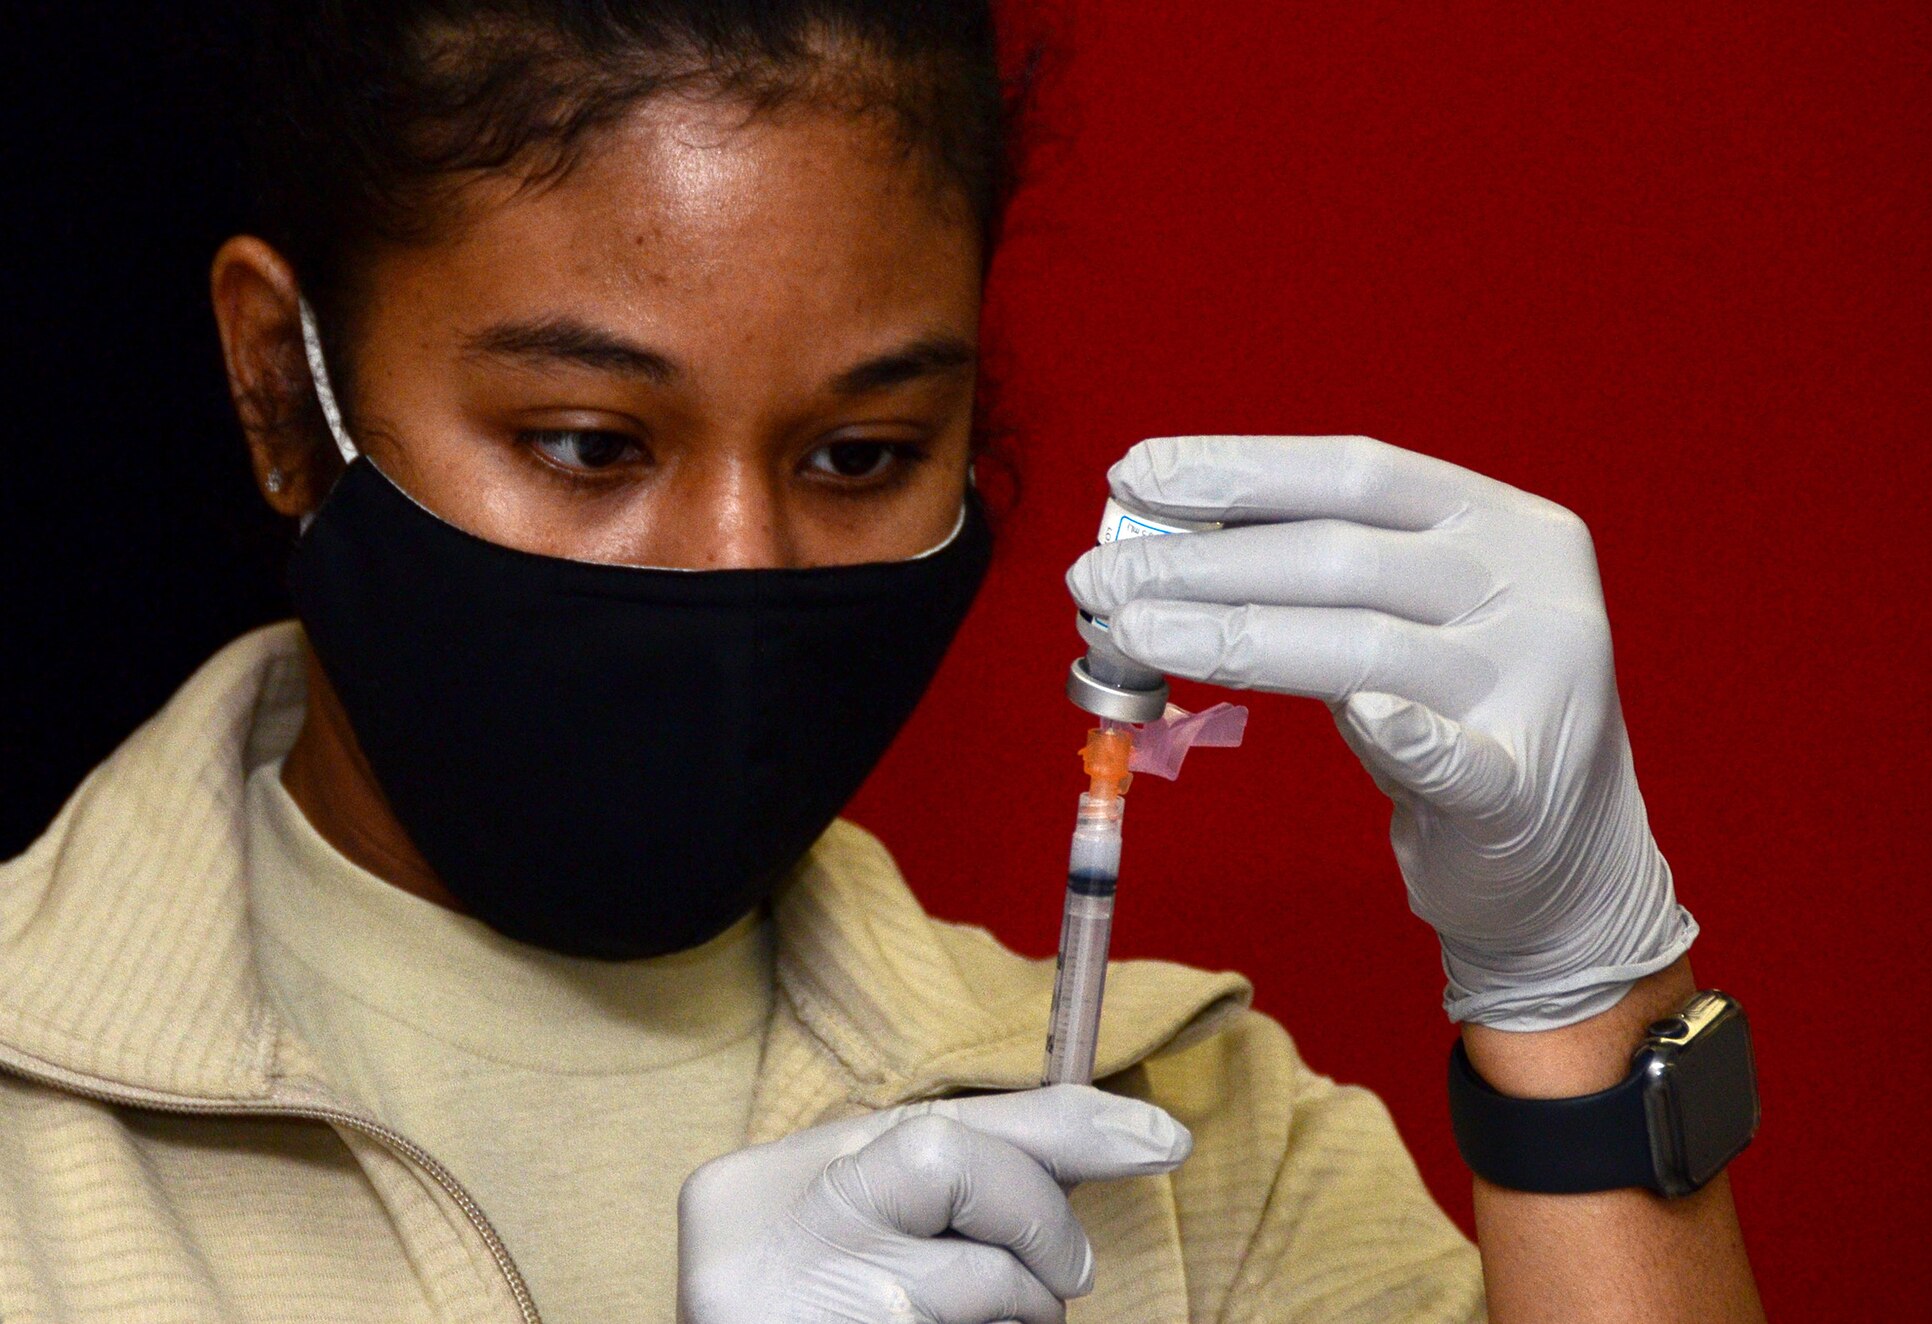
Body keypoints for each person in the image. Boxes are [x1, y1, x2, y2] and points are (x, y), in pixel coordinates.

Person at [0, 2, 1765, 1321]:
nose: (736, 570)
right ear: (271, 385)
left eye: (858, 458)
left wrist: (1577, 1001)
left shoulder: (1179, 1145)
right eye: (589, 443)